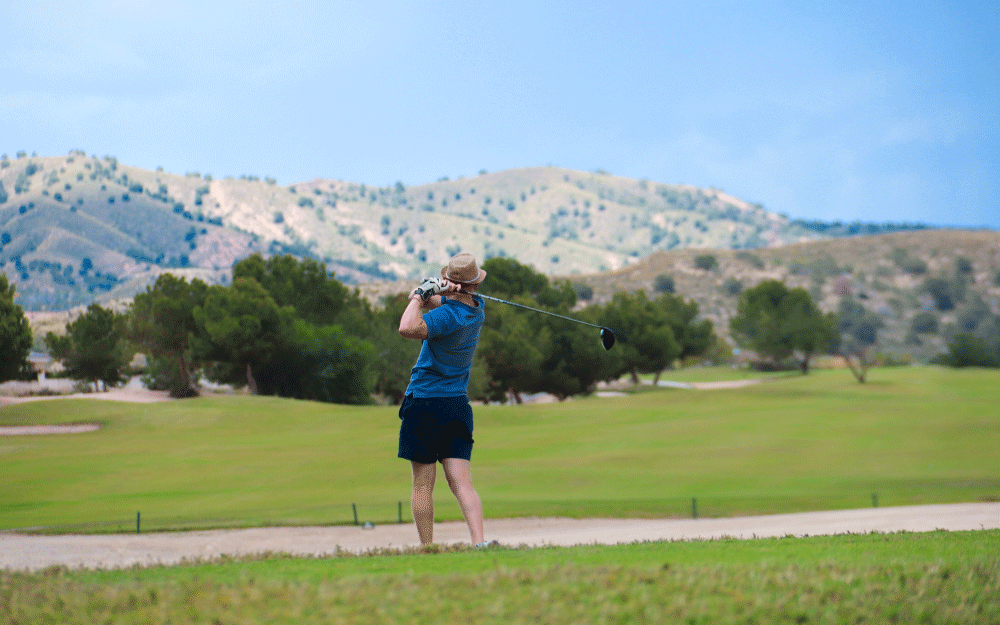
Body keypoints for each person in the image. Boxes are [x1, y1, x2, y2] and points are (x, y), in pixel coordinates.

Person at [397, 253, 493, 548]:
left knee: (423, 486)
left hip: (425, 403)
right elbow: (445, 304)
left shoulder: (445, 318)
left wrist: (418, 295)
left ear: (454, 282)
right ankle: (479, 543)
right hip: (456, 406)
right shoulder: (477, 310)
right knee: (462, 484)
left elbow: (406, 327)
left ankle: (428, 548)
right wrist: (439, 291)